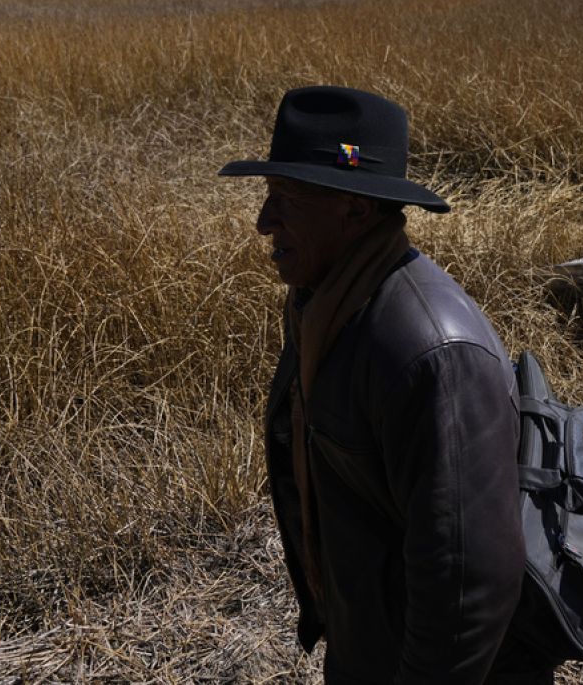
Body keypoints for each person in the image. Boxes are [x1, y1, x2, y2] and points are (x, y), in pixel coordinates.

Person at [220, 86, 553, 684]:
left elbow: (469, 581)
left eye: (286, 197)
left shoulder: (433, 354)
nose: (263, 221)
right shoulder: (325, 305)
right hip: (373, 649)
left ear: (357, 209)